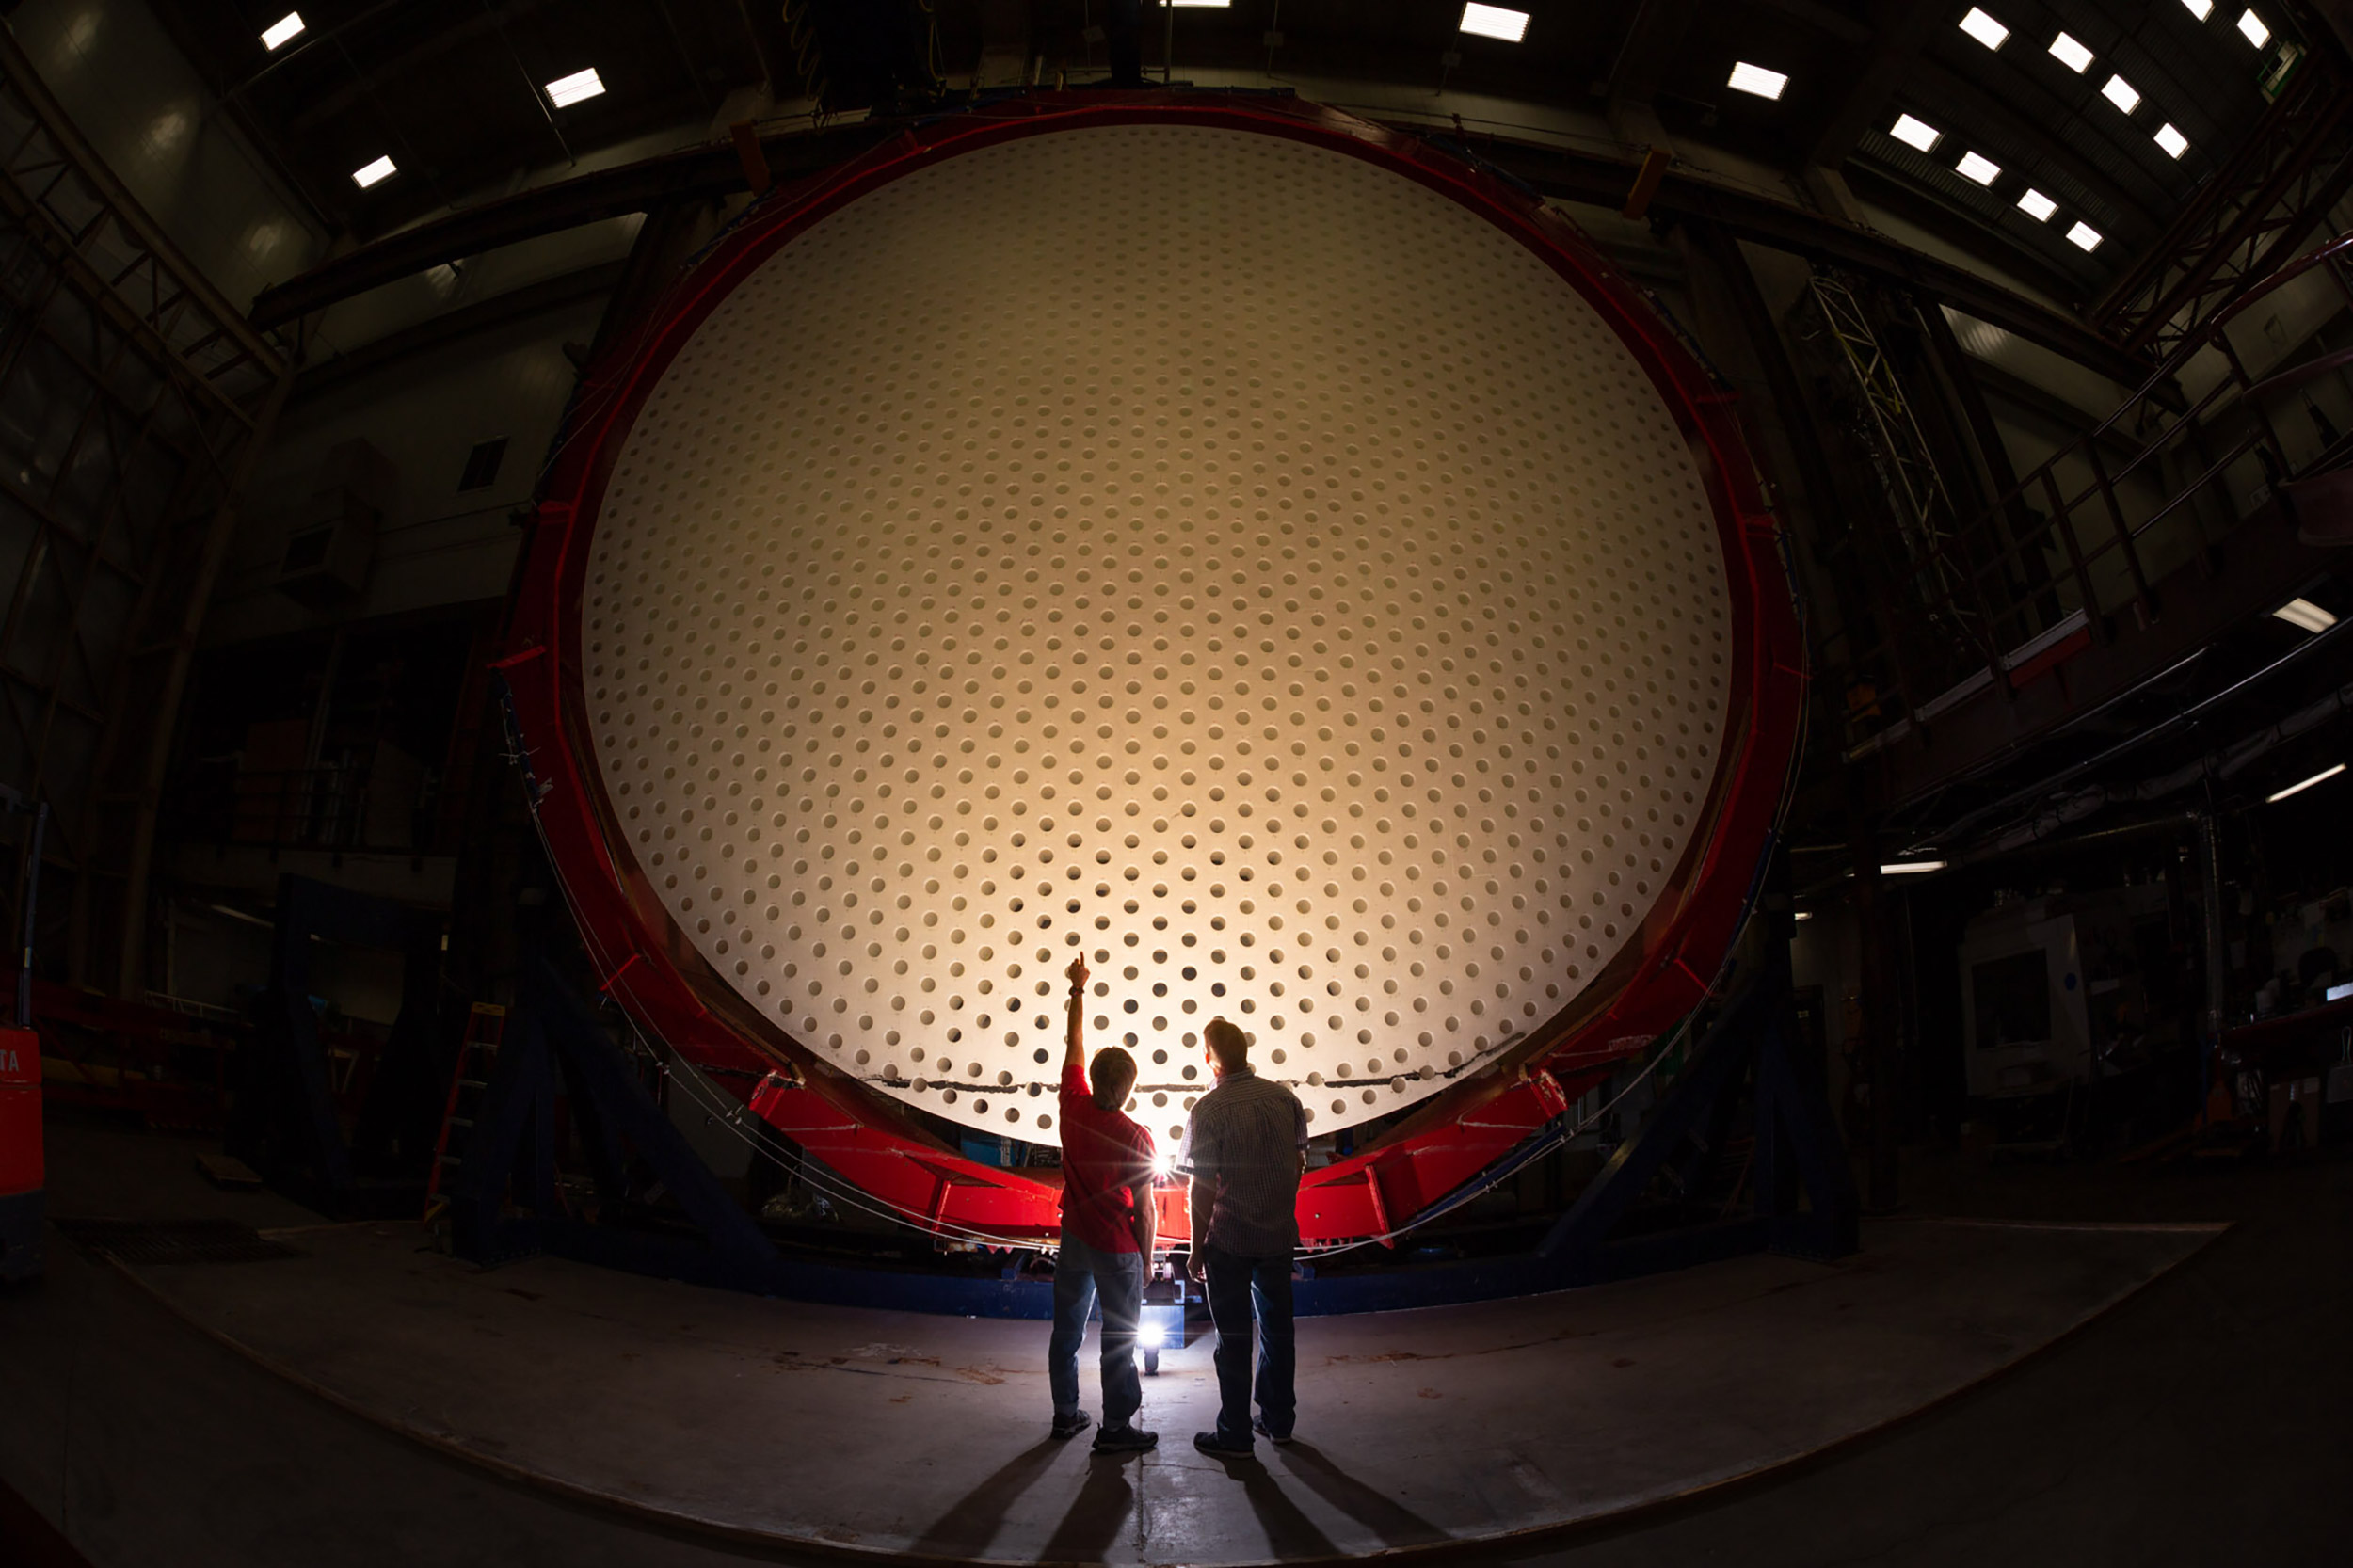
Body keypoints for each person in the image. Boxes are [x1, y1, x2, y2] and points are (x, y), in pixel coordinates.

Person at [1046, 954, 1160, 1453]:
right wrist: (1149, 1258)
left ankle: (1065, 1414)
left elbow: (1073, 1043)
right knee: (1118, 1338)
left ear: (1092, 1078)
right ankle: (1115, 1429)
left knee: (1067, 1329)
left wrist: (1077, 989)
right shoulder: (1135, 1135)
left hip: (1074, 1236)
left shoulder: (1072, 1103)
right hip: (1116, 1248)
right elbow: (1147, 1209)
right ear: (1130, 1087)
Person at [1181, 1016, 1307, 1458]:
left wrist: (1196, 1249)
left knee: (1232, 1340)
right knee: (1278, 1333)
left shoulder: (1208, 1110)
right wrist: (1278, 1208)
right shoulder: (1283, 1099)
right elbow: (1297, 1164)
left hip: (1230, 1242)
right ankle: (1279, 1421)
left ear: (1209, 1059)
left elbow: (1203, 1186)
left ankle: (1235, 1434)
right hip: (1277, 1236)